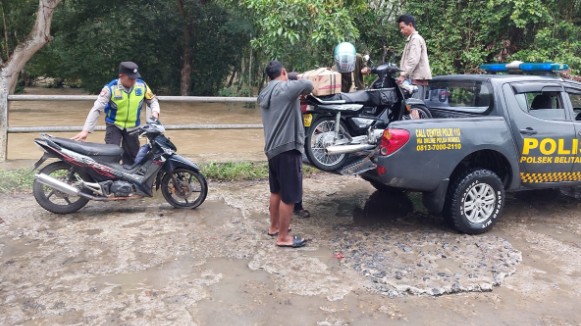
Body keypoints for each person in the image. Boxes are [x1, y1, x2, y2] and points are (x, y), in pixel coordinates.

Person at [258, 60, 313, 248]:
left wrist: (287, 76)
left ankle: (273, 227)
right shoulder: (285, 89)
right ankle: (283, 237)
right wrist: (295, 76)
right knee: (289, 196)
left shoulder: (265, 92)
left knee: (276, 191)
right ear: (283, 72)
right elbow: (308, 85)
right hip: (288, 149)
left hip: (272, 149)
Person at [72, 61, 160, 165]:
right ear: (121, 76)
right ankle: (110, 180)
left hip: (133, 127)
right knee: (112, 155)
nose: (133, 81)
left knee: (132, 157)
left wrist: (155, 114)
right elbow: (97, 109)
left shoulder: (142, 86)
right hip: (114, 125)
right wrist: (86, 131)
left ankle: (128, 180)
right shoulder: (110, 88)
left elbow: (153, 101)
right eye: (130, 78)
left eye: (135, 78)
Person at [396, 14, 432, 87]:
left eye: (403, 28)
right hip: (414, 79)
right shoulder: (411, 39)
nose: (401, 31)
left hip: (418, 80)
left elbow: (413, 60)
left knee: (415, 99)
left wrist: (403, 75)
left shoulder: (415, 39)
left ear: (410, 25)